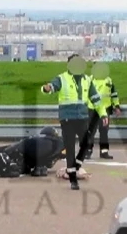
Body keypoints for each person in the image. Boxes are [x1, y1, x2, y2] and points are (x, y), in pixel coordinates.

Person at [42, 54, 101, 190]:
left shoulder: (86, 79)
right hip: (67, 118)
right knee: (69, 148)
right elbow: (53, 86)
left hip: (82, 117)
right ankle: (73, 179)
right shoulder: (62, 78)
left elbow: (95, 97)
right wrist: (48, 88)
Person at [81, 61, 120, 160]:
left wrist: (116, 106)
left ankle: (104, 152)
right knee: (90, 131)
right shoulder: (89, 80)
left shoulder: (108, 81)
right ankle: (88, 151)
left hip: (105, 109)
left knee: (104, 131)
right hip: (92, 109)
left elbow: (114, 94)